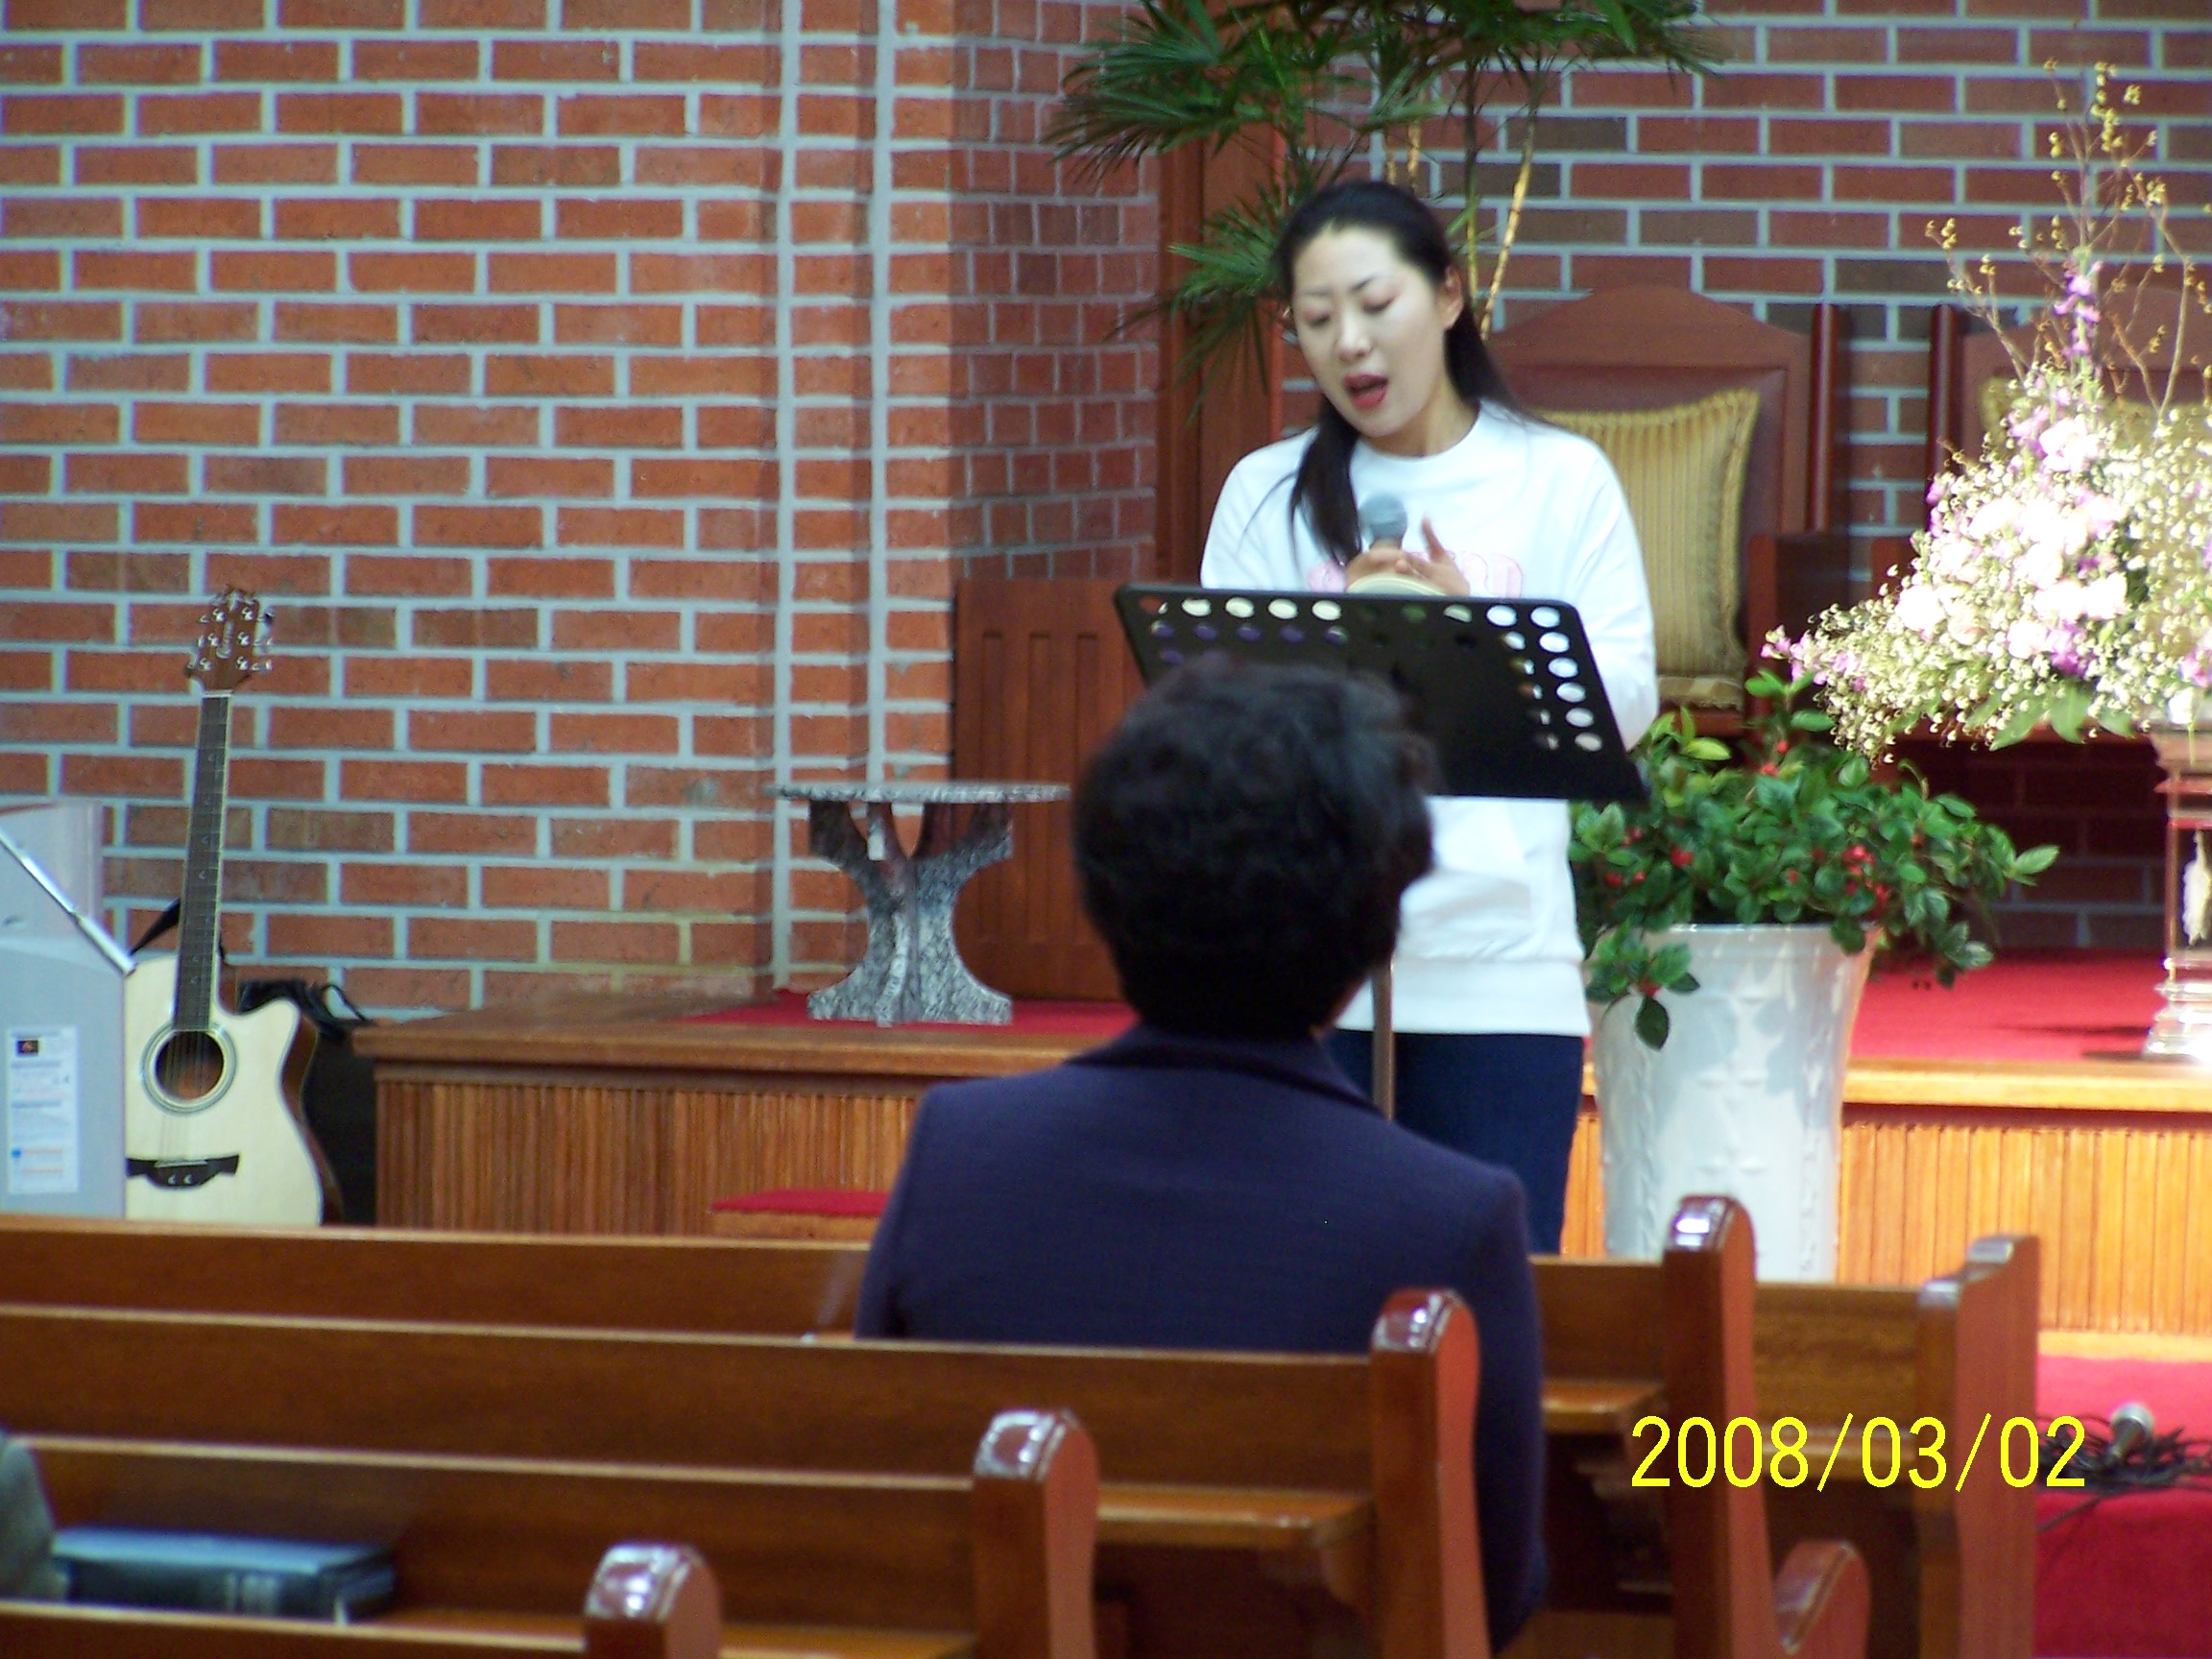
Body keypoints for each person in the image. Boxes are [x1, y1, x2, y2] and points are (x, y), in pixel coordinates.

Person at [855, 659, 1546, 1647]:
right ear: (1375, 926)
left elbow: (886, 1495)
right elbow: (1492, 1591)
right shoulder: (1452, 1218)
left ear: (1105, 897)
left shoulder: (961, 1154)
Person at [1200, 178, 1659, 1254]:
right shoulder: (1266, 494)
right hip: (1310, 978)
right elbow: (1213, 718)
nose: (1351, 344)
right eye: (1318, 320)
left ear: (1449, 295)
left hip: (1499, 972)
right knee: (1307, 1292)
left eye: (1375, 304)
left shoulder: (1558, 478)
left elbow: (1627, 697)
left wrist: (1477, 643)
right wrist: (1339, 649)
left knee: (1487, 1294)